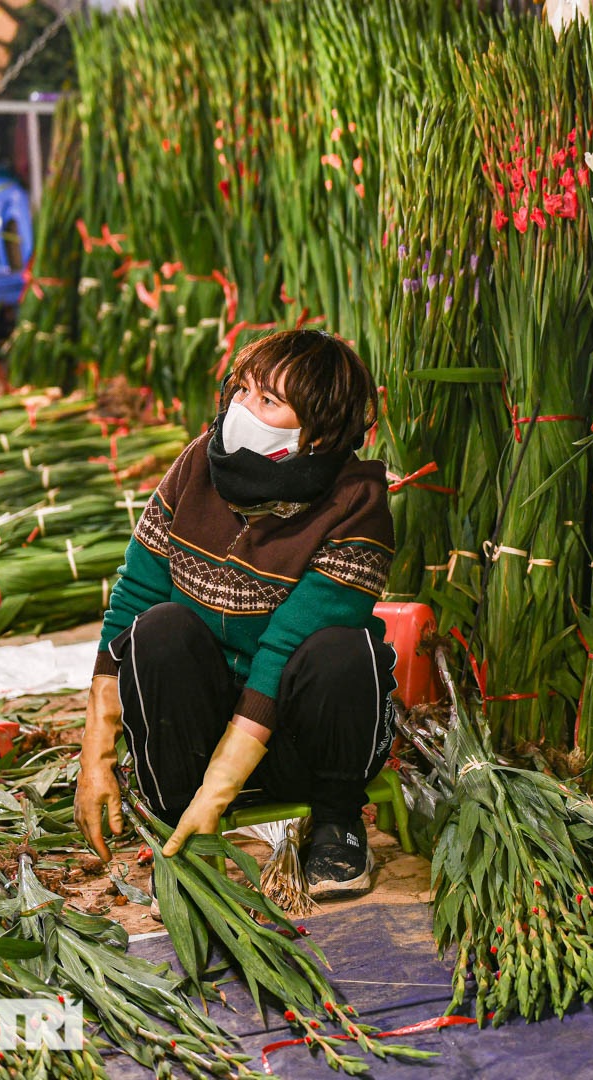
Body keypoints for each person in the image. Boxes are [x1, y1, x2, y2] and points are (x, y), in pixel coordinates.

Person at [74, 330, 398, 898]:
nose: (242, 409)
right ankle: (178, 821)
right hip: (198, 732)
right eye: (242, 389)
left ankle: (335, 820)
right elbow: (134, 593)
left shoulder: (356, 505)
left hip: (294, 740)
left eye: (268, 401)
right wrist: (96, 752)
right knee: (159, 630)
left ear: (317, 432)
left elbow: (278, 656)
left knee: (345, 650)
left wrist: (219, 790)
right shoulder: (201, 462)